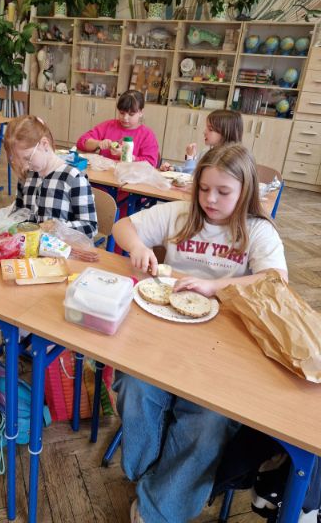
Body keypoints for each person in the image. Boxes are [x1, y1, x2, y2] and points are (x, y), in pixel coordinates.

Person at [112, 144, 287, 523]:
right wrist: (138, 246)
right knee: (135, 389)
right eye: (204, 189)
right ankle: (154, 479)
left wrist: (217, 286)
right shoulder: (180, 214)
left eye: (223, 192)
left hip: (222, 351)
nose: (210, 199)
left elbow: (276, 280)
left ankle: (158, 508)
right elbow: (122, 226)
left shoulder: (257, 230)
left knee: (208, 422)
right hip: (164, 336)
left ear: (245, 191)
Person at [4, 114, 97, 239]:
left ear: (44, 144)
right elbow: (19, 212)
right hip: (30, 247)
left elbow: (90, 227)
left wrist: (56, 227)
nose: (25, 166)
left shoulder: (72, 178)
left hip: (61, 248)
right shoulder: (27, 175)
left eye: (27, 158)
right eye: (19, 161)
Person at [76, 90, 159, 167]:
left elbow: (151, 163)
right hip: (105, 173)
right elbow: (81, 142)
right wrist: (98, 143)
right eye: (122, 113)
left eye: (131, 114)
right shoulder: (109, 125)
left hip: (130, 176)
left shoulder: (147, 135)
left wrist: (126, 155)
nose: (125, 118)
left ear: (141, 112)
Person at [161, 109, 243, 174]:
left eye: (210, 129)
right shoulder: (206, 151)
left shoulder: (226, 159)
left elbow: (192, 178)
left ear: (225, 133)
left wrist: (190, 158)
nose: (204, 132)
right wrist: (174, 168)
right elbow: (194, 169)